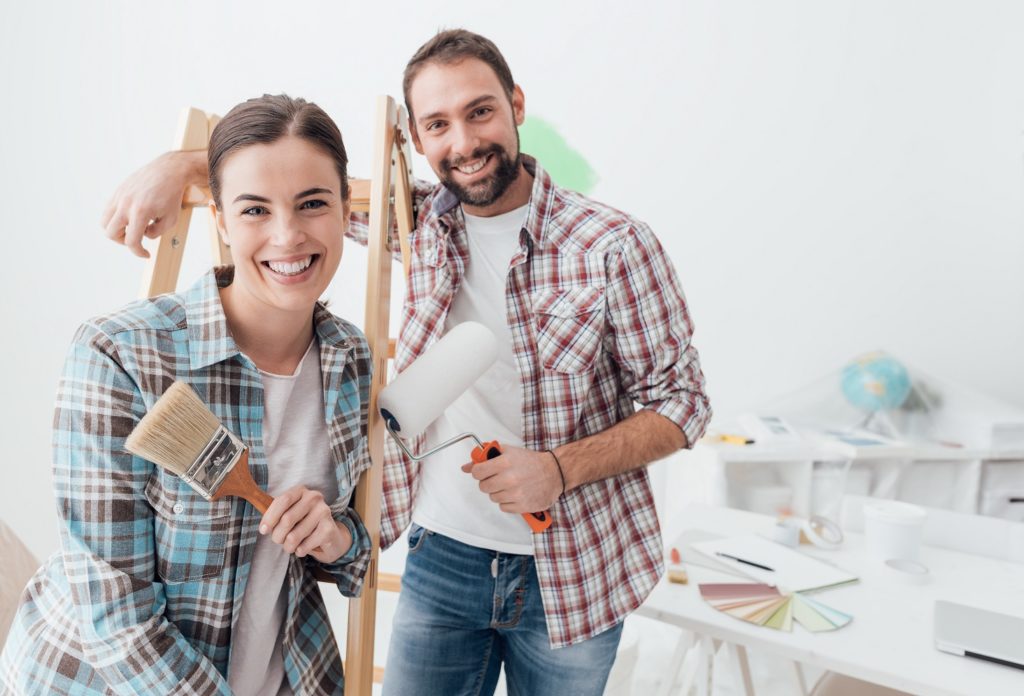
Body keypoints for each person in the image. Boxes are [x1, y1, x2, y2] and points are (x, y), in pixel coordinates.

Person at [100, 29, 712, 696]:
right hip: (441, 558)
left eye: (480, 112)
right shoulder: (417, 221)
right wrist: (181, 165)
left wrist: (558, 470)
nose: (465, 143)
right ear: (417, 141)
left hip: (576, 567)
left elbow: (684, 402)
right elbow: (298, 190)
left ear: (516, 105)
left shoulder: (614, 246)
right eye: (438, 125)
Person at [1, 94, 373, 696]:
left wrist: (334, 537)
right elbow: (116, 615)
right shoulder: (120, 354)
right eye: (255, 209)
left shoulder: (349, 361)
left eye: (312, 203)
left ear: (342, 212)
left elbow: (349, 555)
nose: (288, 234)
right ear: (221, 223)